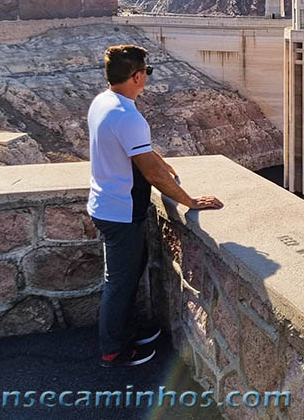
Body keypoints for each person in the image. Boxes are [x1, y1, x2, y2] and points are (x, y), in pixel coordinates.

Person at [87, 44, 223, 368]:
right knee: (119, 283)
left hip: (108, 205)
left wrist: (162, 162)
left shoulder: (103, 102)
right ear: (136, 76)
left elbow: (140, 154)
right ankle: (113, 351)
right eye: (146, 72)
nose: (146, 77)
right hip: (120, 211)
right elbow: (150, 172)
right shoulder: (127, 116)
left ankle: (125, 332)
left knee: (130, 274)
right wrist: (189, 201)